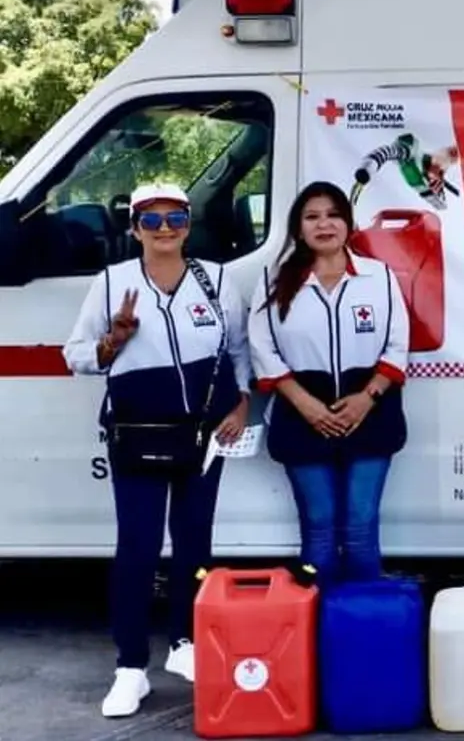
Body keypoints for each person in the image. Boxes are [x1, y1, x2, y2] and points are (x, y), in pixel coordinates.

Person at [62, 182, 252, 719]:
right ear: (134, 226)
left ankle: (186, 645)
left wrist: (240, 407)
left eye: (176, 218)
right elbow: (75, 355)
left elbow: (239, 351)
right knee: (139, 550)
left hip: (206, 438)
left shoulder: (216, 281)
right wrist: (113, 341)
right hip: (138, 435)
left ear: (189, 224)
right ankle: (130, 669)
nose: (165, 228)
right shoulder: (110, 284)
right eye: (152, 219)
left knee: (195, 545)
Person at [248, 180, 410, 587]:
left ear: (348, 223)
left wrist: (367, 398)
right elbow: (262, 348)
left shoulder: (379, 276)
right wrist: (306, 405)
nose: (324, 224)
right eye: (312, 216)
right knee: (319, 528)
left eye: (333, 214)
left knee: (360, 525)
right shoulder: (273, 279)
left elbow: (397, 344)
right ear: (298, 228)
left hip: (370, 414)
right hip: (302, 415)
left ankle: (359, 628)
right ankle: (314, 633)